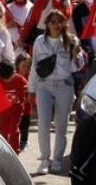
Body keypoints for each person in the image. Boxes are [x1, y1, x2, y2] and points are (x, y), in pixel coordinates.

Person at [30, 10, 86, 175]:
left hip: (64, 86)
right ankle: (45, 159)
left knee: (61, 126)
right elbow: (34, 65)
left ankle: (57, 160)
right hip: (44, 85)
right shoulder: (39, 41)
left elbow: (77, 67)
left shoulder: (71, 41)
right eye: (52, 21)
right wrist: (31, 89)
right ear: (47, 24)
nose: (56, 24)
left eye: (59, 21)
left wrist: (76, 55)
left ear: (64, 24)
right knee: (43, 124)